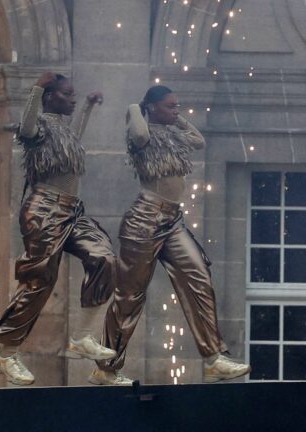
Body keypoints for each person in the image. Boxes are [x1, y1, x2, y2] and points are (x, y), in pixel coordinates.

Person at [89, 85, 251, 385]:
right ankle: (106, 368)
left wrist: (175, 119)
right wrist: (135, 108)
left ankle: (214, 358)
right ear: (151, 107)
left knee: (199, 277)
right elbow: (139, 135)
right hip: (144, 220)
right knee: (129, 297)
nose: (177, 110)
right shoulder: (140, 135)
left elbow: (199, 141)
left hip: (173, 220)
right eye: (170, 106)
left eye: (178, 105)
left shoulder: (174, 135)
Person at [0, 71, 117, 385]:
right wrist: (35, 88)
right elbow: (27, 126)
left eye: (73, 95)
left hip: (72, 210)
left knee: (105, 258)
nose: (71, 98)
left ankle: (83, 336)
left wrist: (86, 108)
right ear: (50, 97)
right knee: (38, 282)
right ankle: (5, 354)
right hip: (44, 209)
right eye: (68, 94)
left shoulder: (62, 130)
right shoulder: (38, 126)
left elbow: (73, 142)